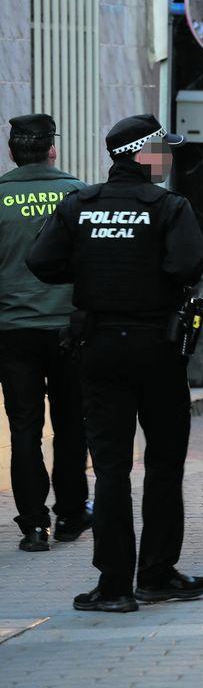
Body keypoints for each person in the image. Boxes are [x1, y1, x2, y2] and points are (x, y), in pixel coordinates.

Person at [27, 113, 203, 612]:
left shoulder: (80, 205)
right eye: (163, 150)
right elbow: (188, 265)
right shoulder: (170, 207)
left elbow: (42, 262)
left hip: (99, 347)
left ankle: (113, 586)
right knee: (164, 464)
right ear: (143, 154)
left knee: (110, 470)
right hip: (157, 349)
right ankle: (156, 574)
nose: (169, 158)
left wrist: (89, 268)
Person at [0, 114, 90, 552]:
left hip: (14, 331)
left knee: (24, 429)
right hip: (68, 328)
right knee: (72, 424)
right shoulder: (77, 193)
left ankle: (34, 525)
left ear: (12, 151)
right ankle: (72, 514)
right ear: (52, 148)